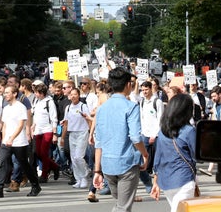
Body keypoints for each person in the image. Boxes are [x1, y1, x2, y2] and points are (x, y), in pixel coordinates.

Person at [92, 67, 148, 212]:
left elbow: (99, 142)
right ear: (128, 84)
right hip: (127, 163)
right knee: (123, 207)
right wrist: (145, 154)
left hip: (107, 164)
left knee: (121, 205)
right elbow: (135, 137)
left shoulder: (102, 108)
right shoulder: (131, 107)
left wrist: (97, 170)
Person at [150, 93, 197, 212]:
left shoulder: (162, 132)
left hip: (165, 180)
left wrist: (155, 182)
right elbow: (196, 154)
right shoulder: (189, 131)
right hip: (184, 178)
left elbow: (158, 157)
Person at [0, 85, 41, 198]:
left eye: (7, 92)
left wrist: (12, 138)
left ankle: (35, 185)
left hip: (19, 142)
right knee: (3, 163)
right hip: (7, 142)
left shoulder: (20, 107)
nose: (5, 95)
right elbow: (4, 125)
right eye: (4, 93)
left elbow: (21, 125)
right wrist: (5, 139)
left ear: (14, 94)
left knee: (24, 164)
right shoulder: (6, 108)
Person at [60, 87, 92, 189]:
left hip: (82, 133)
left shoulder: (83, 106)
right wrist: (62, 137)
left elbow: (89, 120)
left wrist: (91, 133)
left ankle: (85, 175)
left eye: (75, 94)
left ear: (79, 95)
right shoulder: (68, 108)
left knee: (79, 157)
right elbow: (66, 123)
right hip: (72, 133)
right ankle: (79, 179)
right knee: (73, 158)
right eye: (71, 94)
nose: (73, 96)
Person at [30, 82, 59, 182]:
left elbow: (53, 117)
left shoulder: (49, 102)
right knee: (37, 152)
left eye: (37, 93)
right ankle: (55, 166)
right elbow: (35, 115)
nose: (35, 95)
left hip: (47, 129)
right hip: (38, 130)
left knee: (43, 153)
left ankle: (45, 174)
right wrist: (33, 125)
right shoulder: (36, 101)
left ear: (42, 93)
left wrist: (55, 133)